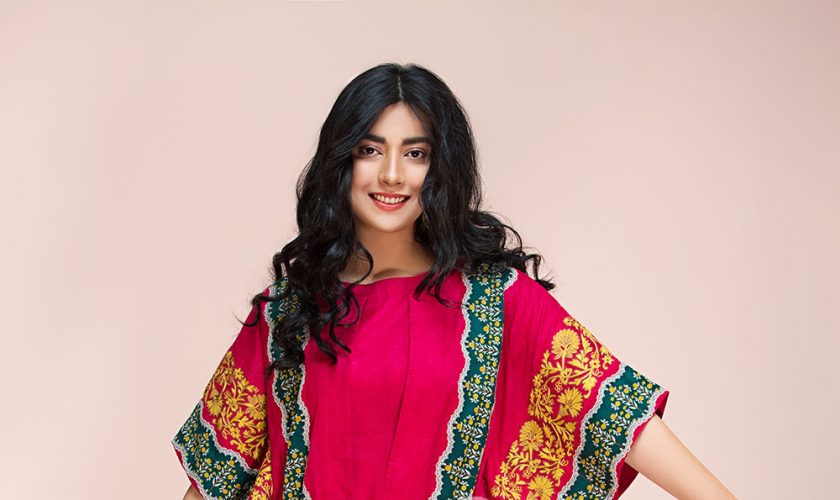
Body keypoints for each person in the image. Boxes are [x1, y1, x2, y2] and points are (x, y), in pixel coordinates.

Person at [172, 63, 736, 499]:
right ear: (341, 162)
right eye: (370, 150)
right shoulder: (288, 311)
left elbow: (617, 416)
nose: (392, 174)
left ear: (440, 169)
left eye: (415, 153)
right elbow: (215, 472)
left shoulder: (497, 299)